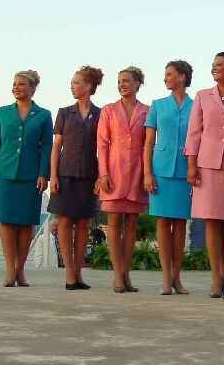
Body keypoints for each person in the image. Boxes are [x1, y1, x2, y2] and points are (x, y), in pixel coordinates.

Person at [0, 70, 53, 287]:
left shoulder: (43, 115)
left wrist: (44, 173)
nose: (16, 87)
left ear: (33, 88)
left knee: (26, 223)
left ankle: (20, 269)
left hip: (31, 176)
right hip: (5, 174)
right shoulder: (2, 113)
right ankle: (9, 269)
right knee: (6, 222)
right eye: (14, 84)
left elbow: (47, 147)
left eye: (21, 84)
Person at [185, 52, 224, 298]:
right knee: (212, 221)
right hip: (207, 165)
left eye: (219, 65)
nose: (214, 69)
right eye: (213, 65)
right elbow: (194, 131)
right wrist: (191, 164)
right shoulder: (202, 96)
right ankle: (216, 278)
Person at [48, 66, 103, 290]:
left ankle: (78, 272)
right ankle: (69, 272)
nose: (72, 86)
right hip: (65, 173)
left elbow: (103, 148)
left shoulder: (100, 114)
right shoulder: (64, 112)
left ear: (89, 86)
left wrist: (101, 176)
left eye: (77, 82)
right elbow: (56, 147)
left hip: (89, 174)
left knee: (83, 224)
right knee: (64, 222)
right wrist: (53, 175)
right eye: (72, 82)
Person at [144, 60, 194, 295]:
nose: (166, 78)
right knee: (163, 222)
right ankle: (165, 277)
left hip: (185, 170)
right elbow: (148, 143)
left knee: (181, 223)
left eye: (170, 74)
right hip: (161, 170)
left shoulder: (196, 105)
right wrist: (147, 173)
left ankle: (176, 277)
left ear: (182, 77)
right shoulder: (158, 105)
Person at [98, 66, 150, 293]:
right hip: (114, 170)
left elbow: (149, 144)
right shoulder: (108, 110)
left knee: (131, 224)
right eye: (119, 81)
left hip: (137, 170)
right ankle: (117, 274)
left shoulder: (147, 111)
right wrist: (103, 173)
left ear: (138, 83)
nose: (122, 85)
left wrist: (147, 173)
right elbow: (102, 143)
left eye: (127, 80)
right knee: (113, 221)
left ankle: (126, 274)